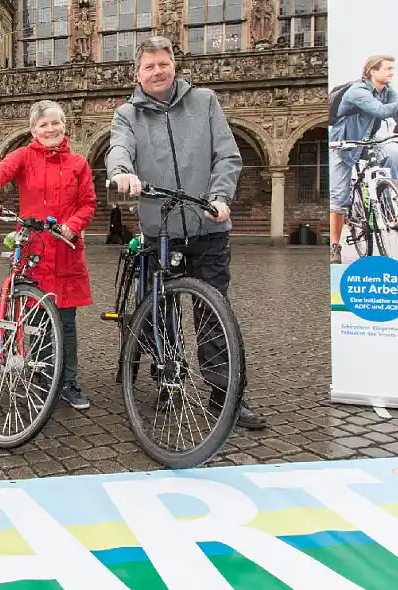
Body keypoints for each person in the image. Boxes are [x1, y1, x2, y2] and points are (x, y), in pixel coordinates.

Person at [105, 35, 266, 430]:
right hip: (160, 230)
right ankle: (169, 379)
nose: (157, 71)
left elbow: (227, 155)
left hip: (208, 225)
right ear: (137, 72)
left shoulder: (205, 101)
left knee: (213, 312)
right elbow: (118, 149)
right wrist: (122, 172)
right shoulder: (127, 114)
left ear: (174, 65)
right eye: (149, 66)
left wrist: (219, 197)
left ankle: (223, 393)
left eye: (163, 64)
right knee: (163, 311)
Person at [0, 100, 96, 410]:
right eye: (43, 124)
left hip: (67, 252)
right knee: (39, 320)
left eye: (55, 123)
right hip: (35, 252)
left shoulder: (79, 164)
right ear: (33, 130)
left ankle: (69, 382)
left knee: (67, 322)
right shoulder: (22, 156)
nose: (50, 129)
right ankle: (45, 379)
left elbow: (88, 204)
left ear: (64, 126)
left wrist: (73, 225)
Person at [328, 55, 398, 264]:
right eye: (387, 68)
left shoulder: (388, 91)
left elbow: (397, 113)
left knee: (393, 157)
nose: (391, 72)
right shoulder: (358, 91)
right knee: (338, 198)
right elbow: (380, 111)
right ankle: (335, 246)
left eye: (392, 68)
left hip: (369, 141)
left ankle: (387, 203)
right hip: (343, 144)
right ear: (372, 70)